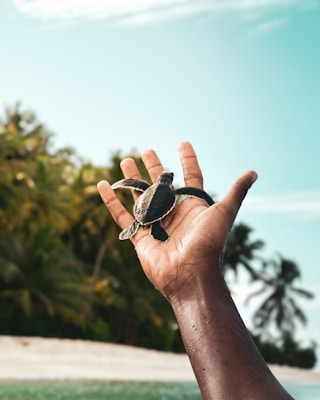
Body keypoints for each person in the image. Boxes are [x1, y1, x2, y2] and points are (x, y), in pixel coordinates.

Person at [97, 141, 293, 400]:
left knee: (145, 210)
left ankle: (142, 225)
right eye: (169, 178)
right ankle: (149, 227)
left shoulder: (151, 188)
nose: (168, 178)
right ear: (170, 184)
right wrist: (205, 200)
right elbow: (185, 191)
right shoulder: (174, 194)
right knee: (159, 217)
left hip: (148, 214)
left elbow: (139, 185)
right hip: (166, 229)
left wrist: (192, 273)